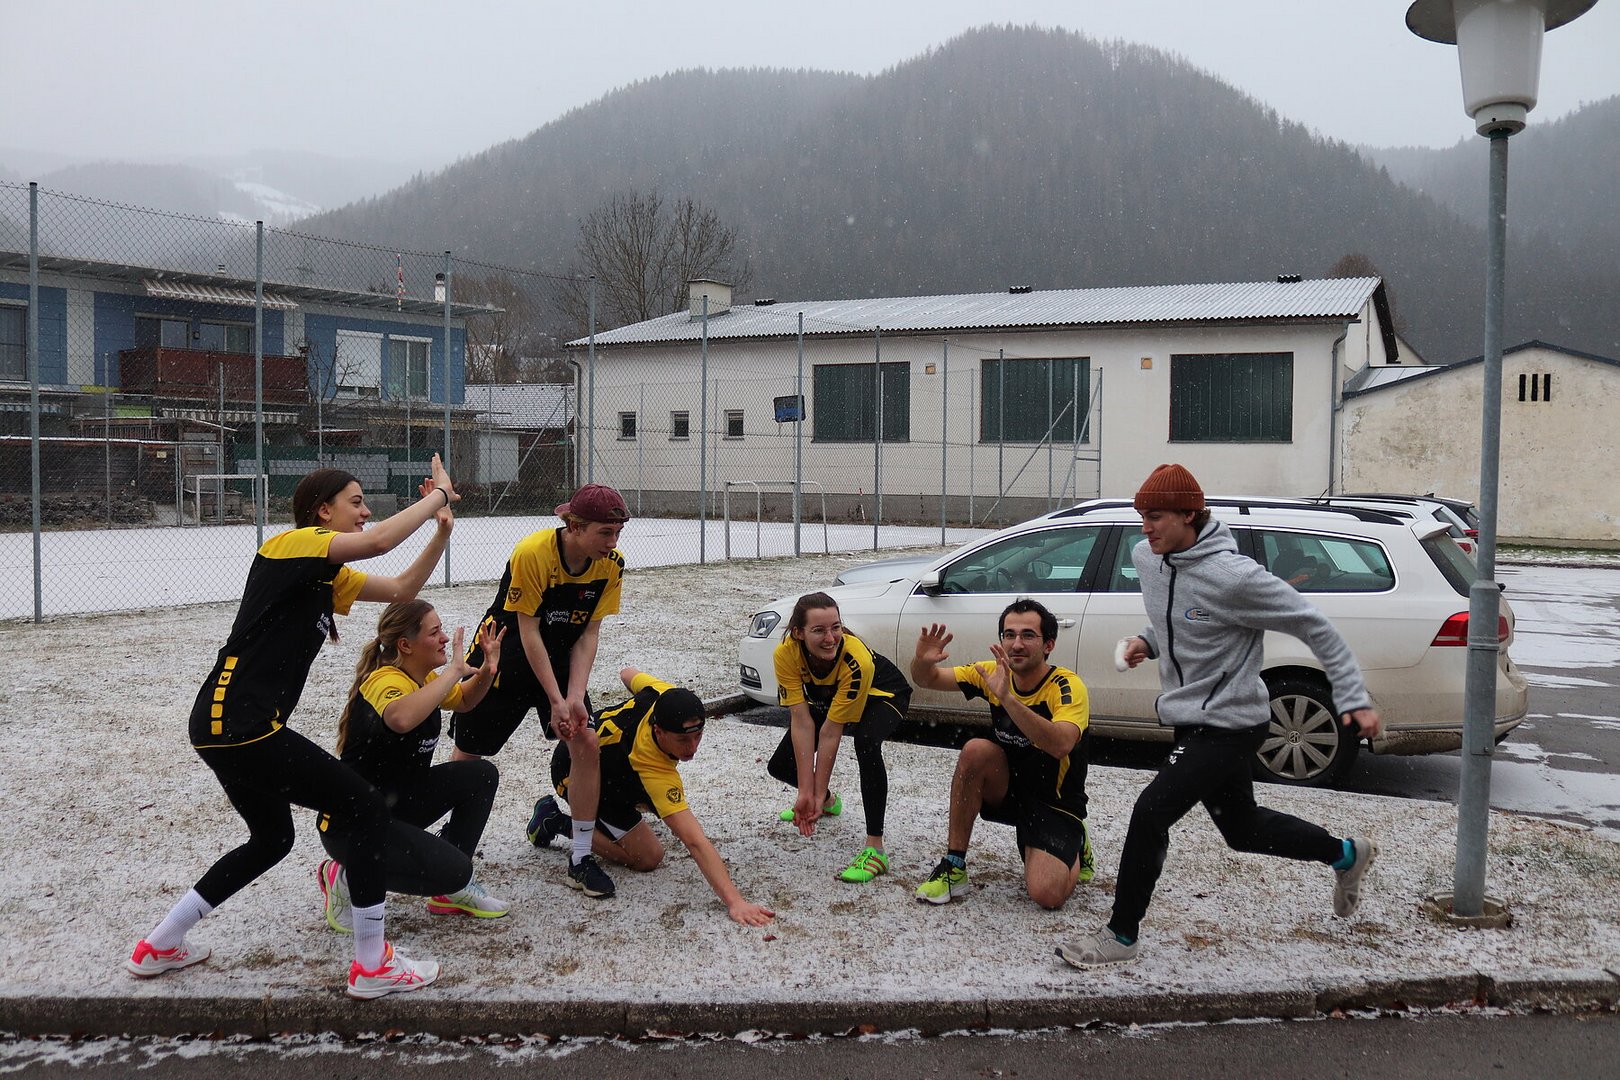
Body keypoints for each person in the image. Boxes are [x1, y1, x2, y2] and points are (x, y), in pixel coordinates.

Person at [127, 457, 467, 1000]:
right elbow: (380, 541)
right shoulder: (291, 545)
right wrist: (439, 496)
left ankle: (160, 944)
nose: (365, 511)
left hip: (226, 725)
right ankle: (372, 964)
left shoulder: (324, 574)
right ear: (322, 511)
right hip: (241, 724)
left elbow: (403, 588)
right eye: (355, 502)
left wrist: (440, 531)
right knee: (366, 807)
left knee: (272, 839)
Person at [1057, 464, 1381, 969]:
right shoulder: (1148, 558)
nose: (1145, 528)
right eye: (1142, 516)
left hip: (1232, 723)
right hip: (1190, 718)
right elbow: (1180, 620)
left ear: (1190, 515)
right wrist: (1147, 642)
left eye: (1156, 516)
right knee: (1242, 829)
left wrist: (1353, 698)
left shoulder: (1235, 578)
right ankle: (1344, 853)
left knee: (1150, 812)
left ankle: (1121, 934)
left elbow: (1315, 626)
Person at [449, 482, 629, 901]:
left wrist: (573, 697)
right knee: (470, 751)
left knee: (586, 740)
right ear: (574, 526)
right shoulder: (533, 552)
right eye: (605, 532)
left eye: (618, 532)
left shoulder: (611, 565)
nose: (613, 542)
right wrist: (554, 699)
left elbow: (588, 634)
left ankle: (580, 857)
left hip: (561, 655)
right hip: (504, 654)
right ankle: (453, 852)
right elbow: (527, 631)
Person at [314, 599, 510, 936]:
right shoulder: (384, 680)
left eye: (442, 630)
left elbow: (464, 700)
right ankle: (345, 874)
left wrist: (487, 671)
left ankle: (452, 893)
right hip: (351, 827)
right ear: (405, 645)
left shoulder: (423, 677)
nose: (444, 638)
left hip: (395, 805)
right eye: (435, 633)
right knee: (453, 870)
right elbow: (400, 719)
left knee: (480, 776)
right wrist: (453, 672)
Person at [528, 667, 775, 926]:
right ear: (658, 731)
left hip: (613, 765)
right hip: (574, 771)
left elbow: (626, 674)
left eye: (698, 736)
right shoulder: (651, 766)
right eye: (682, 740)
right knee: (648, 857)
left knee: (657, 809)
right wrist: (736, 902)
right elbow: (695, 841)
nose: (692, 748)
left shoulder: (662, 693)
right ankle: (555, 821)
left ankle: (622, 803)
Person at [908, 598, 1094, 910]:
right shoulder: (990, 672)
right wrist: (922, 662)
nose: (1016, 644)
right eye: (1009, 635)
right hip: (1009, 789)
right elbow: (927, 679)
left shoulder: (1066, 686)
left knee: (1047, 895)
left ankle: (1076, 842)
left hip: (1055, 802)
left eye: (1028, 635)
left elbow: (1060, 744)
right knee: (975, 751)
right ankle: (954, 865)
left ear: (1048, 645)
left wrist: (1008, 698)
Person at [764, 592, 912, 883]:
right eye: (819, 630)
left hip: (884, 695)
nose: (830, 638)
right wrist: (807, 793)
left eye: (836, 627)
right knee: (780, 766)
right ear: (798, 633)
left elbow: (831, 732)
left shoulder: (857, 660)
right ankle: (830, 801)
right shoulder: (785, 653)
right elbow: (802, 721)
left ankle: (875, 849)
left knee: (866, 743)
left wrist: (814, 794)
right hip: (833, 697)